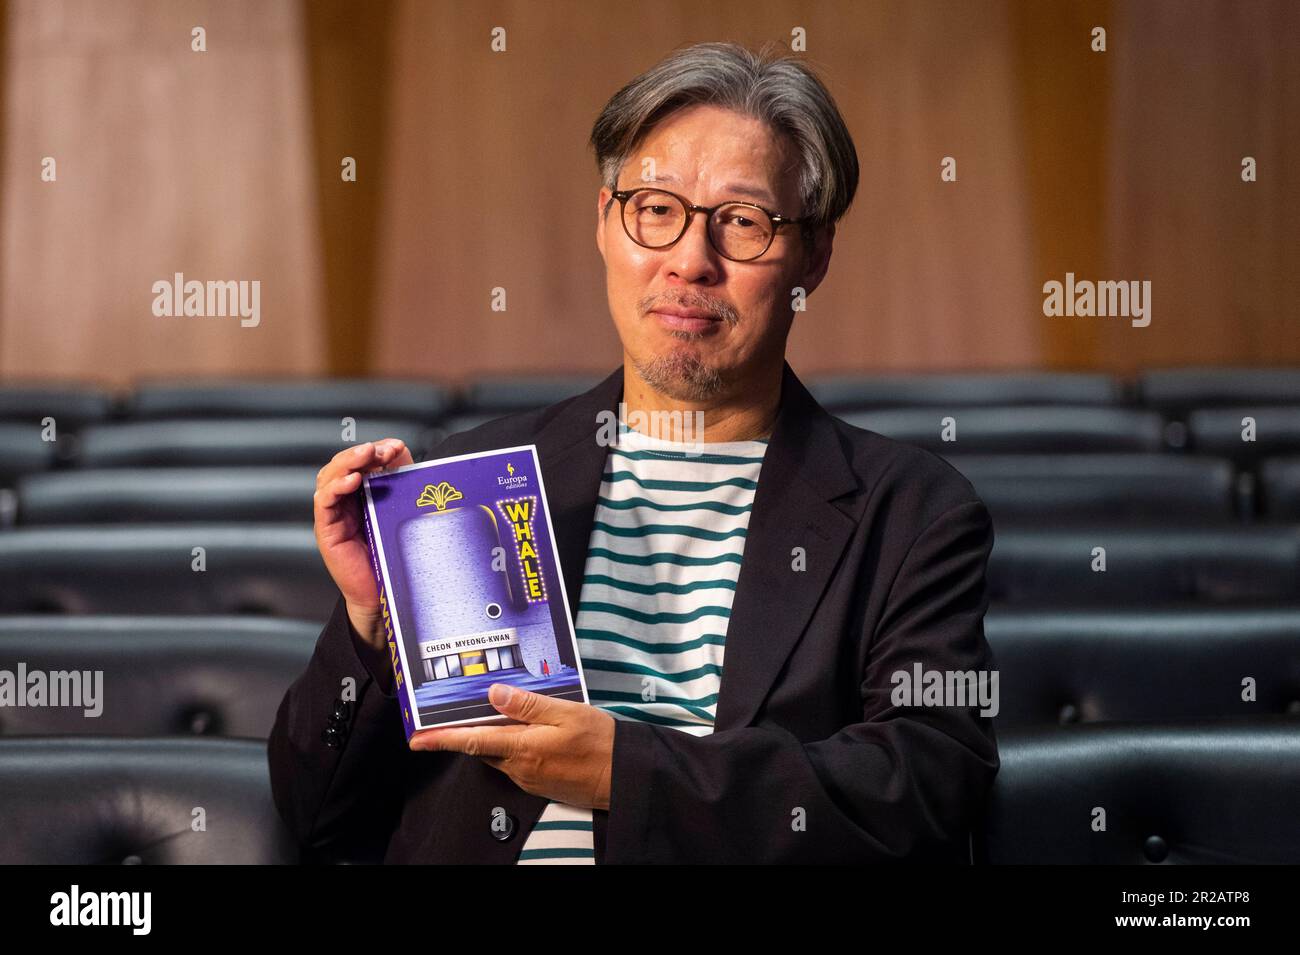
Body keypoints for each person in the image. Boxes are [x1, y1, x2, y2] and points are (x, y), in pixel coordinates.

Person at [268, 40, 998, 864]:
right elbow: (318, 818)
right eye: (656, 209)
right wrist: (369, 628)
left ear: (813, 255)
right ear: (606, 223)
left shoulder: (908, 515)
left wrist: (628, 770)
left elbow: (929, 784)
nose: (691, 260)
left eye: (743, 223)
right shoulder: (472, 486)